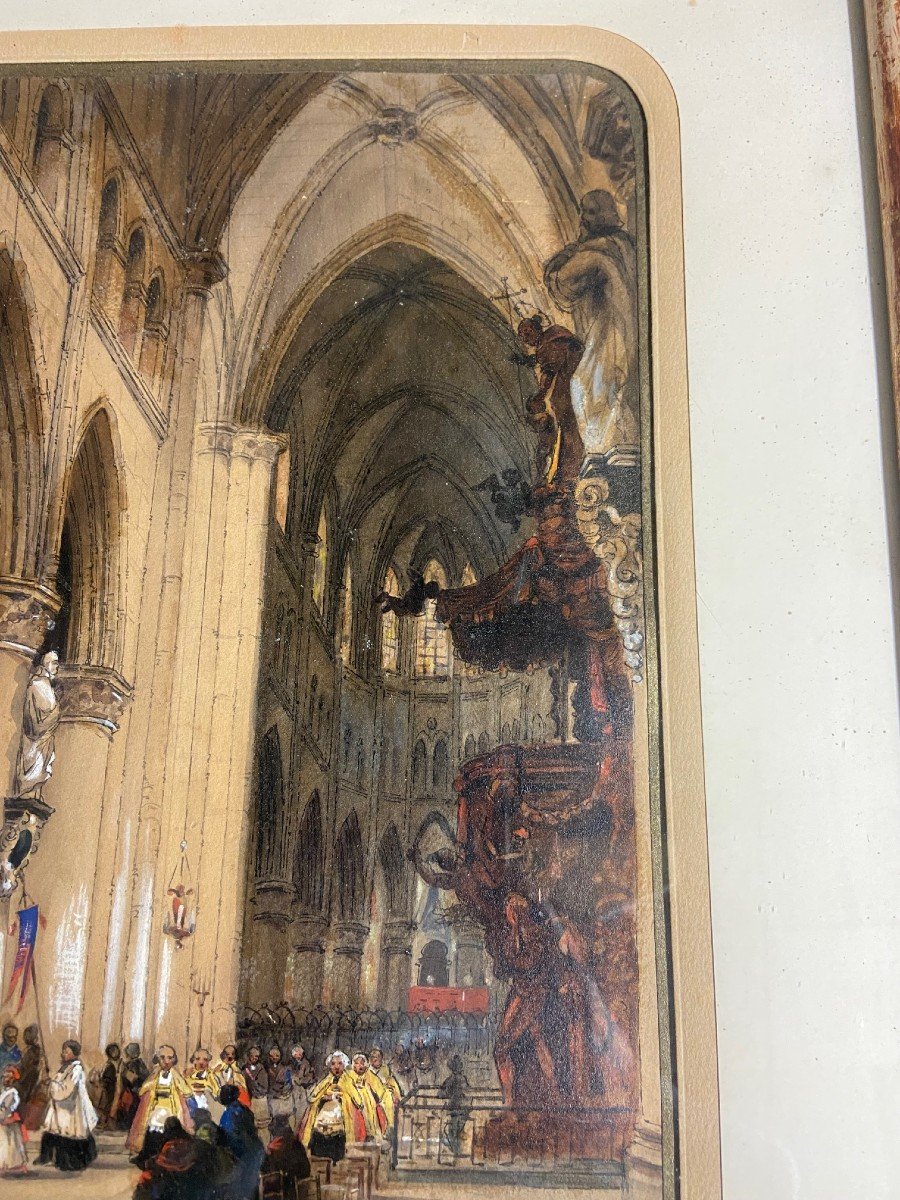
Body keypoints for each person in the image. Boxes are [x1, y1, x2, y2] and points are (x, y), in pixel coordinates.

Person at [35, 1039, 98, 1171]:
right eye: (63, 1051)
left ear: (74, 1053)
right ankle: (46, 1157)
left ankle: (71, 1162)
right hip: (60, 1107)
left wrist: (52, 1084)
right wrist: (50, 1082)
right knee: (53, 1131)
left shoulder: (77, 1069)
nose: (63, 1054)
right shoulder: (65, 1068)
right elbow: (58, 1083)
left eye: (66, 1051)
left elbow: (68, 1089)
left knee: (69, 1133)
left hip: (70, 1108)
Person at [127, 1044, 193, 1165]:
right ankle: (147, 1155)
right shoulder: (155, 1074)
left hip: (171, 1107)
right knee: (152, 1127)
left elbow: (186, 1090)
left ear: (174, 1059)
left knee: (169, 1128)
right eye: (162, 1058)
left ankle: (166, 1156)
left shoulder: (175, 1075)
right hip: (157, 1106)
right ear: (157, 1059)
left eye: (170, 1058)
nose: (166, 1061)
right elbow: (144, 1088)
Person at [301, 1050, 366, 1164]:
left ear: (344, 1065)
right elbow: (314, 1096)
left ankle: (337, 1158)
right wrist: (324, 1098)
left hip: (341, 1114)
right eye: (333, 1064)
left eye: (340, 1064)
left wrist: (342, 1098)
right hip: (325, 1113)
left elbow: (358, 1100)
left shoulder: (348, 1080)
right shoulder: (326, 1080)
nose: (336, 1067)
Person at [218, 1083, 265, 1200]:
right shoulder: (245, 1110)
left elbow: (230, 1138)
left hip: (242, 1154)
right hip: (255, 1151)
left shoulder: (228, 1115)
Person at [263, 1114, 311, 1194]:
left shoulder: (279, 1144)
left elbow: (270, 1167)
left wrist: (268, 1152)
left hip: (289, 1183)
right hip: (301, 1178)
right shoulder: (294, 1140)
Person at [345, 1052, 386, 1140]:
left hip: (367, 1098)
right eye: (356, 1063)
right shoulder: (348, 1075)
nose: (359, 1065)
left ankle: (372, 1133)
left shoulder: (369, 1074)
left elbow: (379, 1089)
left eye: (362, 1063)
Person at [438, 1055, 470, 1158]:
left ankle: (456, 1150)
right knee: (457, 1129)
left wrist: (442, 1093)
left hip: (455, 1108)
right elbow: (467, 1090)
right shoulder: (464, 1078)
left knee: (453, 1131)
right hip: (465, 1109)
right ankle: (457, 1149)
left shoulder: (451, 1079)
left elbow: (442, 1093)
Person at [114, 1042, 149, 1130]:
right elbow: (146, 1077)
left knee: (128, 1109)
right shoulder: (141, 1063)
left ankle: (126, 1126)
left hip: (131, 1091)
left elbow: (129, 1079)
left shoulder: (130, 1064)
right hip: (139, 1091)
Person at [0, 1065, 28, 1175]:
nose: (5, 1079)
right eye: (4, 1077)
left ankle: (13, 1166)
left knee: (11, 1144)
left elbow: (6, 1109)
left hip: (9, 1121)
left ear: (13, 1079)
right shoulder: (4, 1091)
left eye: (8, 1077)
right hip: (3, 1120)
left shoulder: (12, 1093)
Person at [368, 1046, 402, 1130]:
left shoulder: (385, 1068)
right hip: (371, 1094)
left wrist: (394, 1091)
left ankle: (391, 1126)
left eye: (378, 1057)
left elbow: (390, 1081)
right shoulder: (367, 1070)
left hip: (385, 1093)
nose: (376, 1059)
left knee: (389, 1099)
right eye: (373, 1057)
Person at [185, 1047, 219, 1119]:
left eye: (205, 1060)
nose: (201, 1062)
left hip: (207, 1105)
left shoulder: (211, 1075)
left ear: (208, 1061)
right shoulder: (188, 1075)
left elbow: (216, 1091)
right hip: (191, 1104)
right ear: (193, 1060)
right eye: (197, 1059)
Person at [241, 1045, 268, 1132]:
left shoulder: (261, 1068)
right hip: (249, 1098)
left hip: (259, 1098)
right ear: (249, 1056)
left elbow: (264, 1084)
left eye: (256, 1056)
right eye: (252, 1056)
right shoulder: (244, 1069)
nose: (254, 1058)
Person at [286, 1044, 313, 1129]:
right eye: (296, 1054)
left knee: (301, 1111)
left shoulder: (306, 1063)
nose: (298, 1056)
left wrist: (300, 1081)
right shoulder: (290, 1064)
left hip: (302, 1090)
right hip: (291, 1090)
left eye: (300, 1054)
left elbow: (309, 1076)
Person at [265, 1047, 292, 1127]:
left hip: (282, 1095)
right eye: (272, 1056)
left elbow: (288, 1083)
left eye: (277, 1056)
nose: (274, 1058)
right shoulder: (267, 1068)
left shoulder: (285, 1069)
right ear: (269, 1057)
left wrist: (284, 1091)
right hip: (272, 1095)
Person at [97, 1042, 121, 1128]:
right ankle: (104, 1123)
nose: (115, 1053)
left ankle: (106, 1123)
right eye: (113, 1051)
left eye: (116, 1051)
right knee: (106, 1105)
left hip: (112, 1087)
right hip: (109, 1088)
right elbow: (105, 1076)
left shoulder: (115, 1063)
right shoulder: (109, 1064)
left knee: (109, 1105)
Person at [17, 1025, 41, 1106]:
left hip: (28, 1077)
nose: (25, 1038)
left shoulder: (33, 1051)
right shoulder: (29, 1049)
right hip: (25, 1076)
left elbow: (25, 1066)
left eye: (27, 1036)